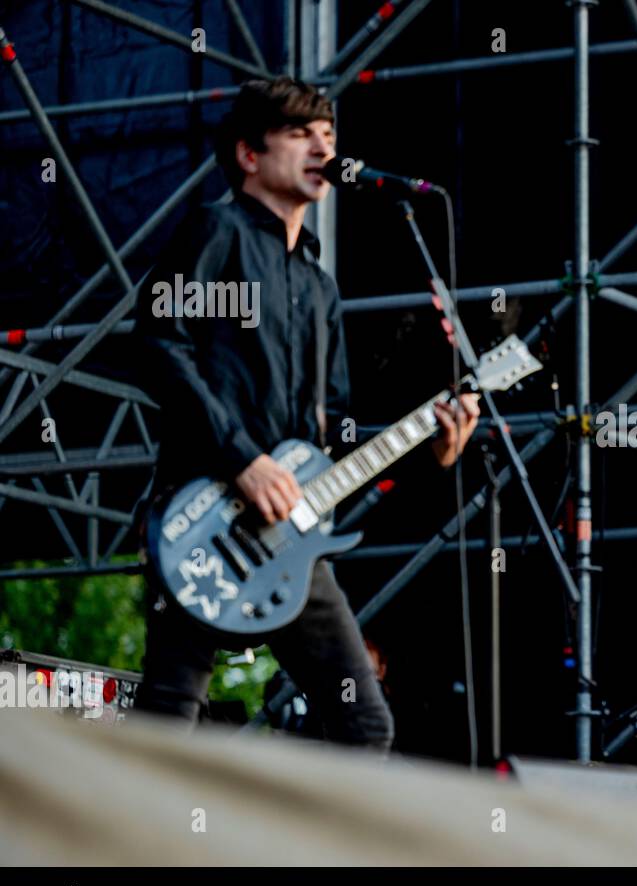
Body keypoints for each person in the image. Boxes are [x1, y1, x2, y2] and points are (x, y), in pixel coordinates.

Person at [132, 77, 479, 750]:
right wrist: (243, 460)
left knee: (365, 724)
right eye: (301, 133)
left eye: (330, 134)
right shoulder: (219, 232)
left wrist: (427, 447)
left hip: (288, 539)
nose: (323, 145)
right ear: (249, 155)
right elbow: (158, 343)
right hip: (206, 520)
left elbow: (337, 429)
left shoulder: (319, 285)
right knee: (168, 721)